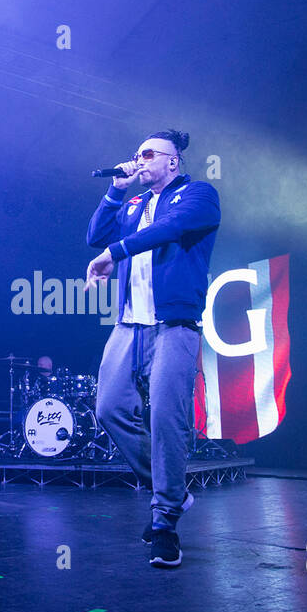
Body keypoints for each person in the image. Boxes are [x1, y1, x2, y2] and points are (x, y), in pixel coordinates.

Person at [84, 129, 220, 568]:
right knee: (109, 408)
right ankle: (175, 491)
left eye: (147, 154)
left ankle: (165, 522)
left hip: (173, 325)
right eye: (136, 154)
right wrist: (114, 190)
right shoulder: (135, 205)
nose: (138, 160)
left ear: (172, 161)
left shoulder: (198, 194)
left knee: (166, 416)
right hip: (129, 325)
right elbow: (95, 236)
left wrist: (115, 253)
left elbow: (171, 230)